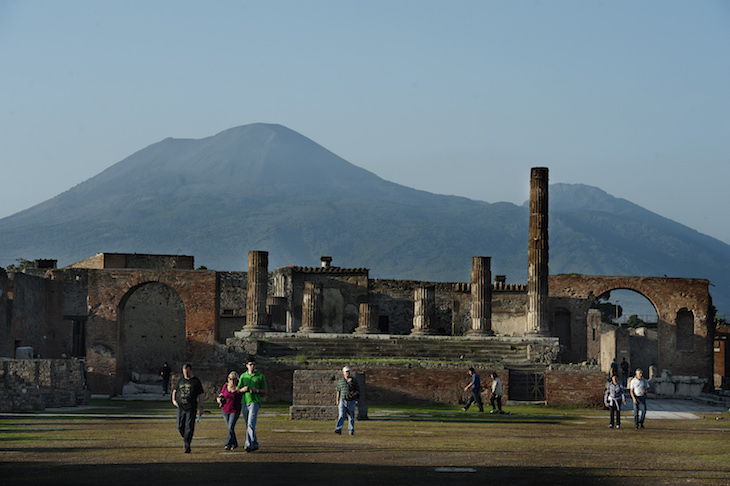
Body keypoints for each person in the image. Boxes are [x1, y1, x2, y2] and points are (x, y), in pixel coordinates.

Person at [171, 363, 204, 453]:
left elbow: (200, 394)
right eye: (184, 372)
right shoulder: (180, 380)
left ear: (191, 370)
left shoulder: (196, 381)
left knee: (189, 427)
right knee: (179, 426)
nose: (186, 374)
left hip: (191, 408)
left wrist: (201, 407)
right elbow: (175, 390)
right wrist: (174, 400)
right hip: (181, 407)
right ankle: (186, 438)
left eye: (187, 372)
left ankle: (187, 445)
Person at [238, 356, 267, 452]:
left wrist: (256, 390)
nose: (252, 366)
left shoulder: (260, 376)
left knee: (251, 423)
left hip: (255, 402)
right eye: (250, 364)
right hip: (244, 402)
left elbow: (265, 390)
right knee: (249, 424)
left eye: (254, 364)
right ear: (247, 366)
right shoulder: (243, 376)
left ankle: (248, 444)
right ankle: (255, 443)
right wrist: (243, 389)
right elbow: (238, 390)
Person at [217, 371, 243, 450]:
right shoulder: (225, 386)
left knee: (231, 426)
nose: (232, 380)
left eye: (234, 379)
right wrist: (219, 398)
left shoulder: (239, 388)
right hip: (225, 409)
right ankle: (234, 443)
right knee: (229, 428)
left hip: (234, 410)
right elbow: (221, 394)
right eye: (230, 379)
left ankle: (228, 443)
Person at [335, 366, 360, 435]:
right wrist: (337, 400)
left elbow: (358, 390)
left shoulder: (354, 381)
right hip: (342, 400)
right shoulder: (341, 381)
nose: (347, 373)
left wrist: (353, 394)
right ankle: (338, 429)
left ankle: (351, 430)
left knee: (351, 417)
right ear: (343, 373)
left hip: (351, 401)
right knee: (341, 415)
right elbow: (338, 391)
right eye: (346, 372)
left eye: (348, 371)